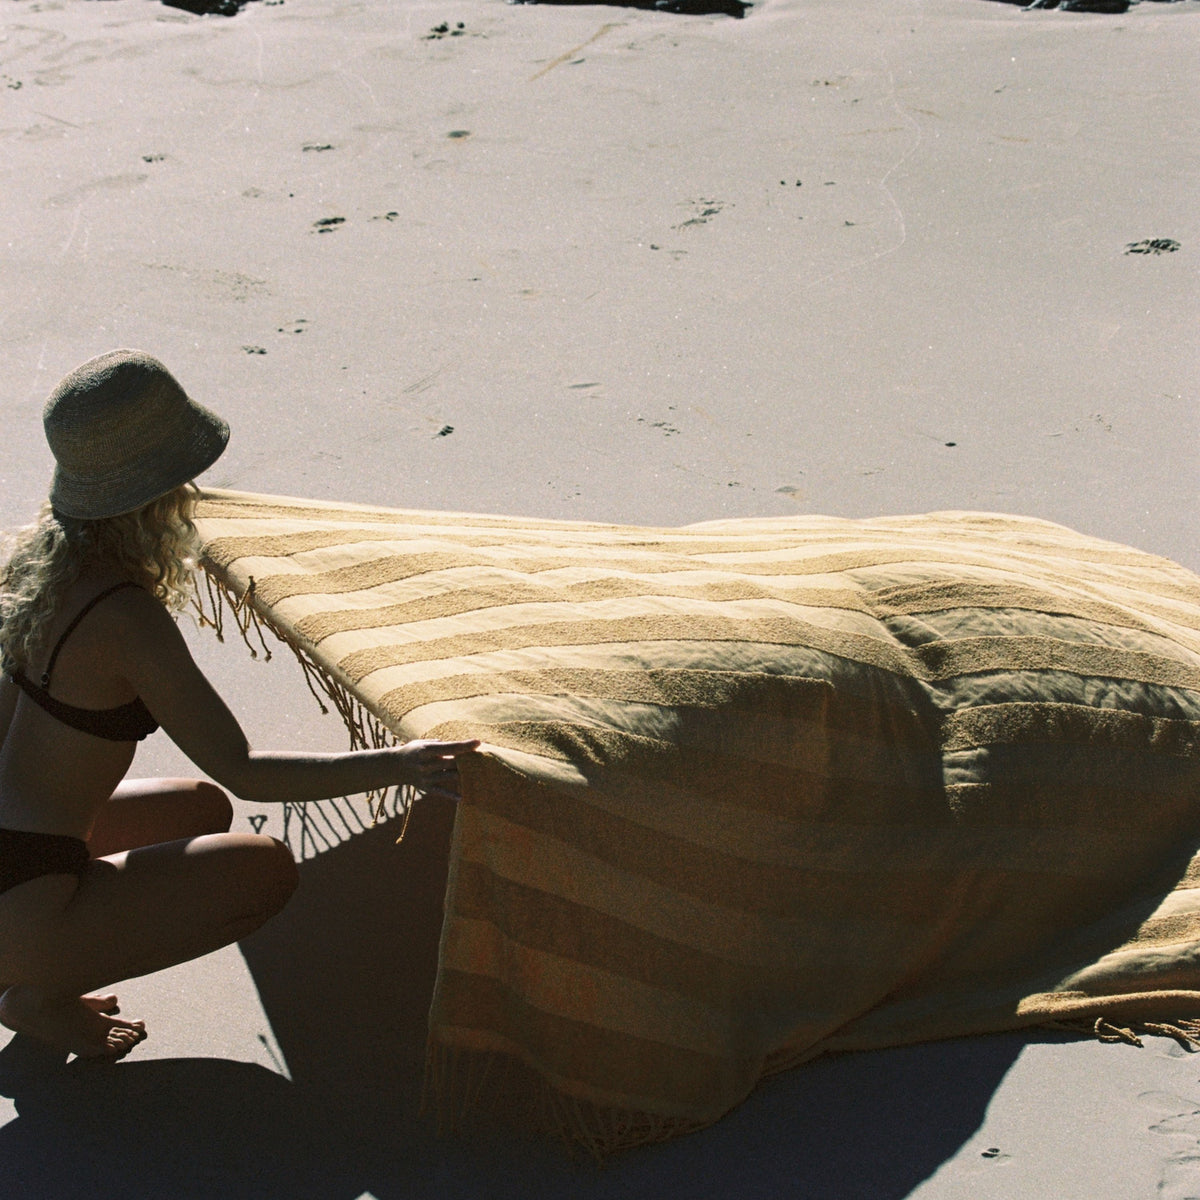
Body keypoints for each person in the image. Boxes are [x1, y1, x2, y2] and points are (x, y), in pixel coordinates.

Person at [0, 350, 479, 1060]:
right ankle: (33, 993)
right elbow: (247, 770)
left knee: (199, 811)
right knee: (264, 870)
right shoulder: (123, 619)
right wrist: (401, 764)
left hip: (19, 850)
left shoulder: (32, 566)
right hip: (24, 897)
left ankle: (37, 957)